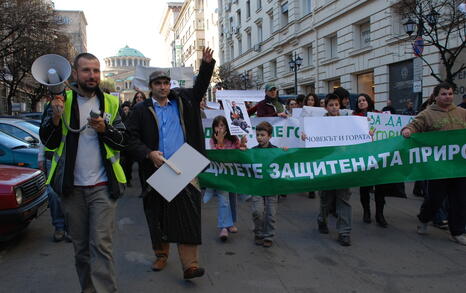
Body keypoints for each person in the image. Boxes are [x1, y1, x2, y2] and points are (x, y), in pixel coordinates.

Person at [39, 52, 128, 293]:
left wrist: (105, 129)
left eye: (96, 70)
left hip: (103, 187)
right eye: (86, 70)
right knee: (81, 250)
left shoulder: (110, 103)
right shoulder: (61, 101)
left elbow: (122, 141)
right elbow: (48, 141)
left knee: (102, 246)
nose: (92, 75)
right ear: (75, 74)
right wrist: (56, 118)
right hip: (72, 189)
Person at [126, 47, 215, 279]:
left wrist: (206, 65)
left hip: (185, 164)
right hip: (157, 169)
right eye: (158, 83)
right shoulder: (140, 110)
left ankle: (190, 265)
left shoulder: (183, 100)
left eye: (166, 82)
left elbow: (200, 88)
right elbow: (130, 139)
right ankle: (161, 255)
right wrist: (148, 153)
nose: (163, 87)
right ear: (151, 87)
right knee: (159, 216)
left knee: (188, 214)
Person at [401, 82, 466, 245]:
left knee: (459, 199)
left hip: (459, 167)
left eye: (450, 93)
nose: (448, 97)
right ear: (436, 96)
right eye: (444, 94)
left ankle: (457, 231)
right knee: (435, 199)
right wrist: (408, 131)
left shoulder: (462, 113)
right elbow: (414, 126)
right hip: (437, 168)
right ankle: (424, 219)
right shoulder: (427, 114)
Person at [316, 94, 352, 246]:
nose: (334, 108)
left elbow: (356, 136)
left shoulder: (348, 122)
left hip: (343, 165)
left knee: (343, 199)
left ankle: (344, 232)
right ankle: (321, 219)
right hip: (326, 166)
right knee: (326, 199)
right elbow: (312, 139)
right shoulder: (318, 123)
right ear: (326, 107)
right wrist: (306, 136)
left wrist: (366, 133)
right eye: (331, 105)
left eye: (336, 105)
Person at [205, 115, 246, 242]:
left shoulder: (234, 139)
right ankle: (223, 227)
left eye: (222, 125)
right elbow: (218, 157)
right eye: (217, 126)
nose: (219, 128)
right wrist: (220, 142)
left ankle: (231, 222)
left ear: (227, 127)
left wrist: (243, 145)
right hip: (221, 176)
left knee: (232, 199)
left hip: (233, 175)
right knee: (223, 200)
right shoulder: (213, 140)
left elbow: (239, 154)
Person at [354, 93, 389, 227]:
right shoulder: (354, 117)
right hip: (364, 156)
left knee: (380, 187)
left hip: (379, 156)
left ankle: (380, 214)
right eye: (359, 101)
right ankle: (366, 212)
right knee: (365, 187)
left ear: (369, 101)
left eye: (363, 100)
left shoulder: (379, 115)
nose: (361, 102)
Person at [251, 121, 281, 248]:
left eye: (262, 135)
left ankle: (268, 235)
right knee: (257, 212)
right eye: (257, 135)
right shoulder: (252, 152)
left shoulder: (276, 151)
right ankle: (258, 233)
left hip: (271, 187)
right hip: (257, 187)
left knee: (270, 213)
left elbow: (285, 163)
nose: (259, 138)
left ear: (269, 136)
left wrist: (285, 152)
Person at [38, 143, 68, 242]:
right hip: (51, 160)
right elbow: (43, 137)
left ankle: (71, 228)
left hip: (69, 159)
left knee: (70, 194)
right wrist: (41, 158)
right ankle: (59, 227)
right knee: (53, 194)